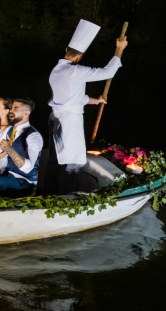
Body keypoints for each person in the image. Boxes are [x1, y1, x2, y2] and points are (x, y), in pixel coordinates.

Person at [48, 19, 128, 194]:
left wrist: (96, 100)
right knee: (75, 160)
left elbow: (76, 98)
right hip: (69, 122)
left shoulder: (56, 70)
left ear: (66, 51)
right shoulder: (75, 71)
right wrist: (119, 49)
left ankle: (51, 192)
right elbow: (108, 72)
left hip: (56, 119)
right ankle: (69, 199)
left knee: (58, 159)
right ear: (80, 56)